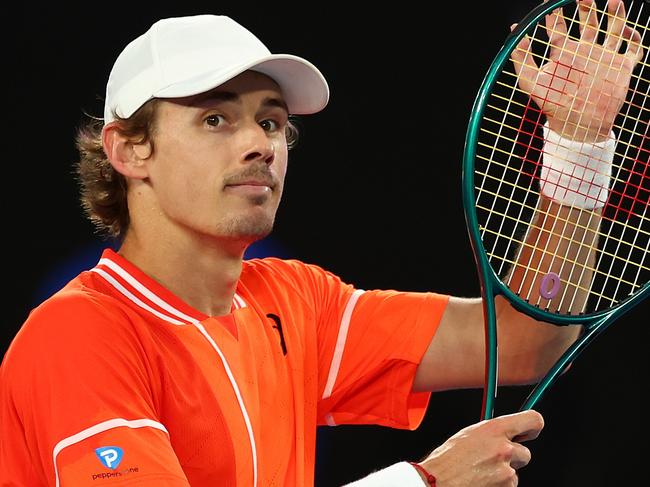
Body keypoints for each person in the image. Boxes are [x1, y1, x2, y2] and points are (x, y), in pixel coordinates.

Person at [0, 0, 641, 485]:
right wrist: (423, 481)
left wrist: (578, 146)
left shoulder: (296, 302)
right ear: (129, 149)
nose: (259, 144)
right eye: (215, 118)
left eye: (271, 120)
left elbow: (527, 338)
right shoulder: (78, 335)